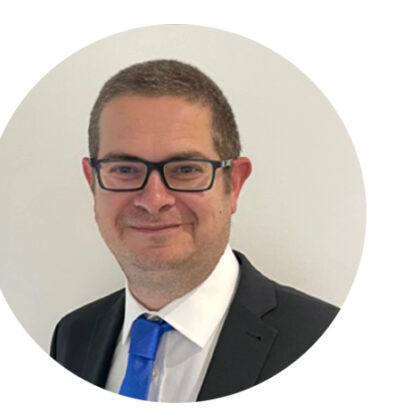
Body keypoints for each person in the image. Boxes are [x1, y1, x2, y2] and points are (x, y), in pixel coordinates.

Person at [50, 59, 339, 402]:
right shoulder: (73, 336)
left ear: (234, 183)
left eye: (186, 169)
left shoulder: (325, 342)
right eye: (124, 169)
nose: (153, 201)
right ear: (92, 182)